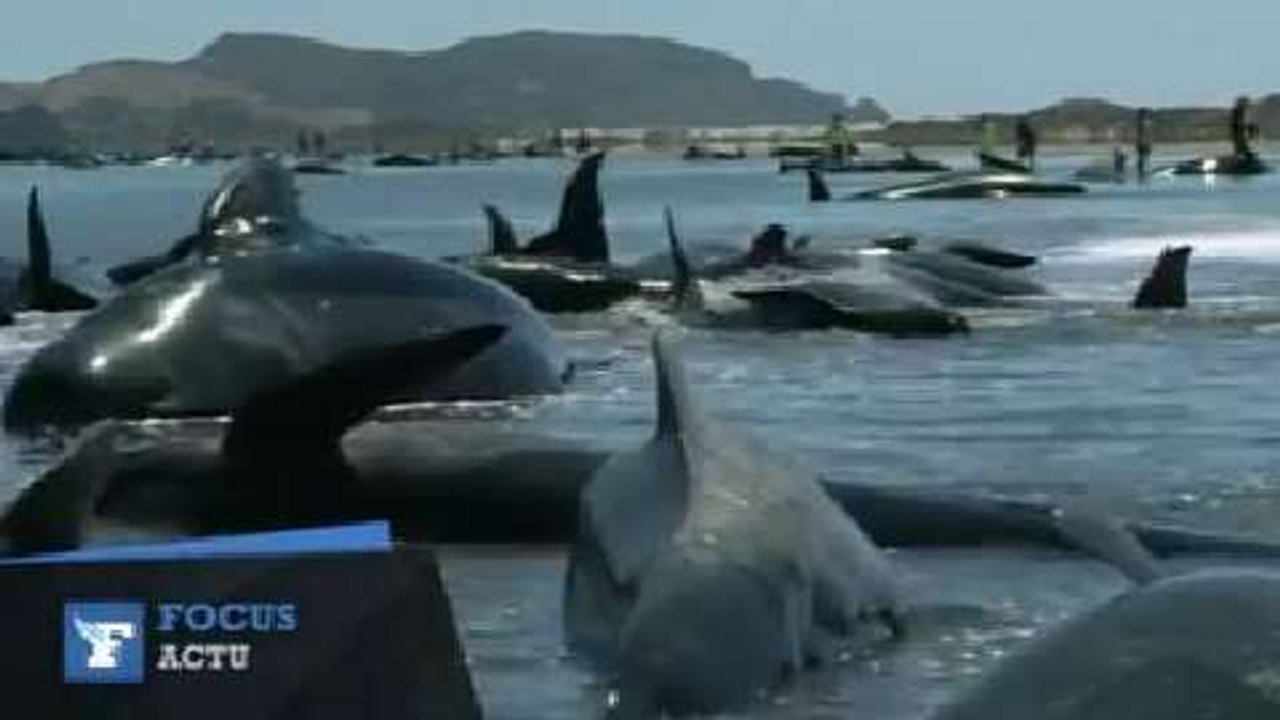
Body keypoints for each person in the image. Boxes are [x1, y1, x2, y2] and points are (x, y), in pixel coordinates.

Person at [1230, 95, 1256, 160]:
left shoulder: (1242, 110)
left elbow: (1244, 121)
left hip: (1239, 130)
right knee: (1240, 144)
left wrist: (1250, 128)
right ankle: (1241, 155)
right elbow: (1238, 121)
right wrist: (1249, 127)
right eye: (1246, 103)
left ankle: (1242, 154)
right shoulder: (1237, 110)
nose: (1248, 105)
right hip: (1237, 129)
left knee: (1242, 144)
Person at [1135, 107, 1154, 178]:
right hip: (1143, 144)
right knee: (1143, 159)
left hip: (1144, 144)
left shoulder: (1141, 122)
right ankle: (1143, 172)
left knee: (1143, 159)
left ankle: (1143, 171)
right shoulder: (1143, 123)